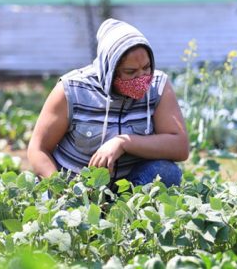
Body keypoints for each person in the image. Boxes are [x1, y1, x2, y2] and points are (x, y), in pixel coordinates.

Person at [28, 19, 189, 188]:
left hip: (130, 189)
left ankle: (128, 211)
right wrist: (62, 191)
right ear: (109, 69)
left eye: (147, 67)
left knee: (167, 172)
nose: (142, 78)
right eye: (130, 72)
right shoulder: (72, 89)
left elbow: (179, 146)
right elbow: (38, 149)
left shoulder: (158, 86)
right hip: (77, 189)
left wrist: (124, 142)